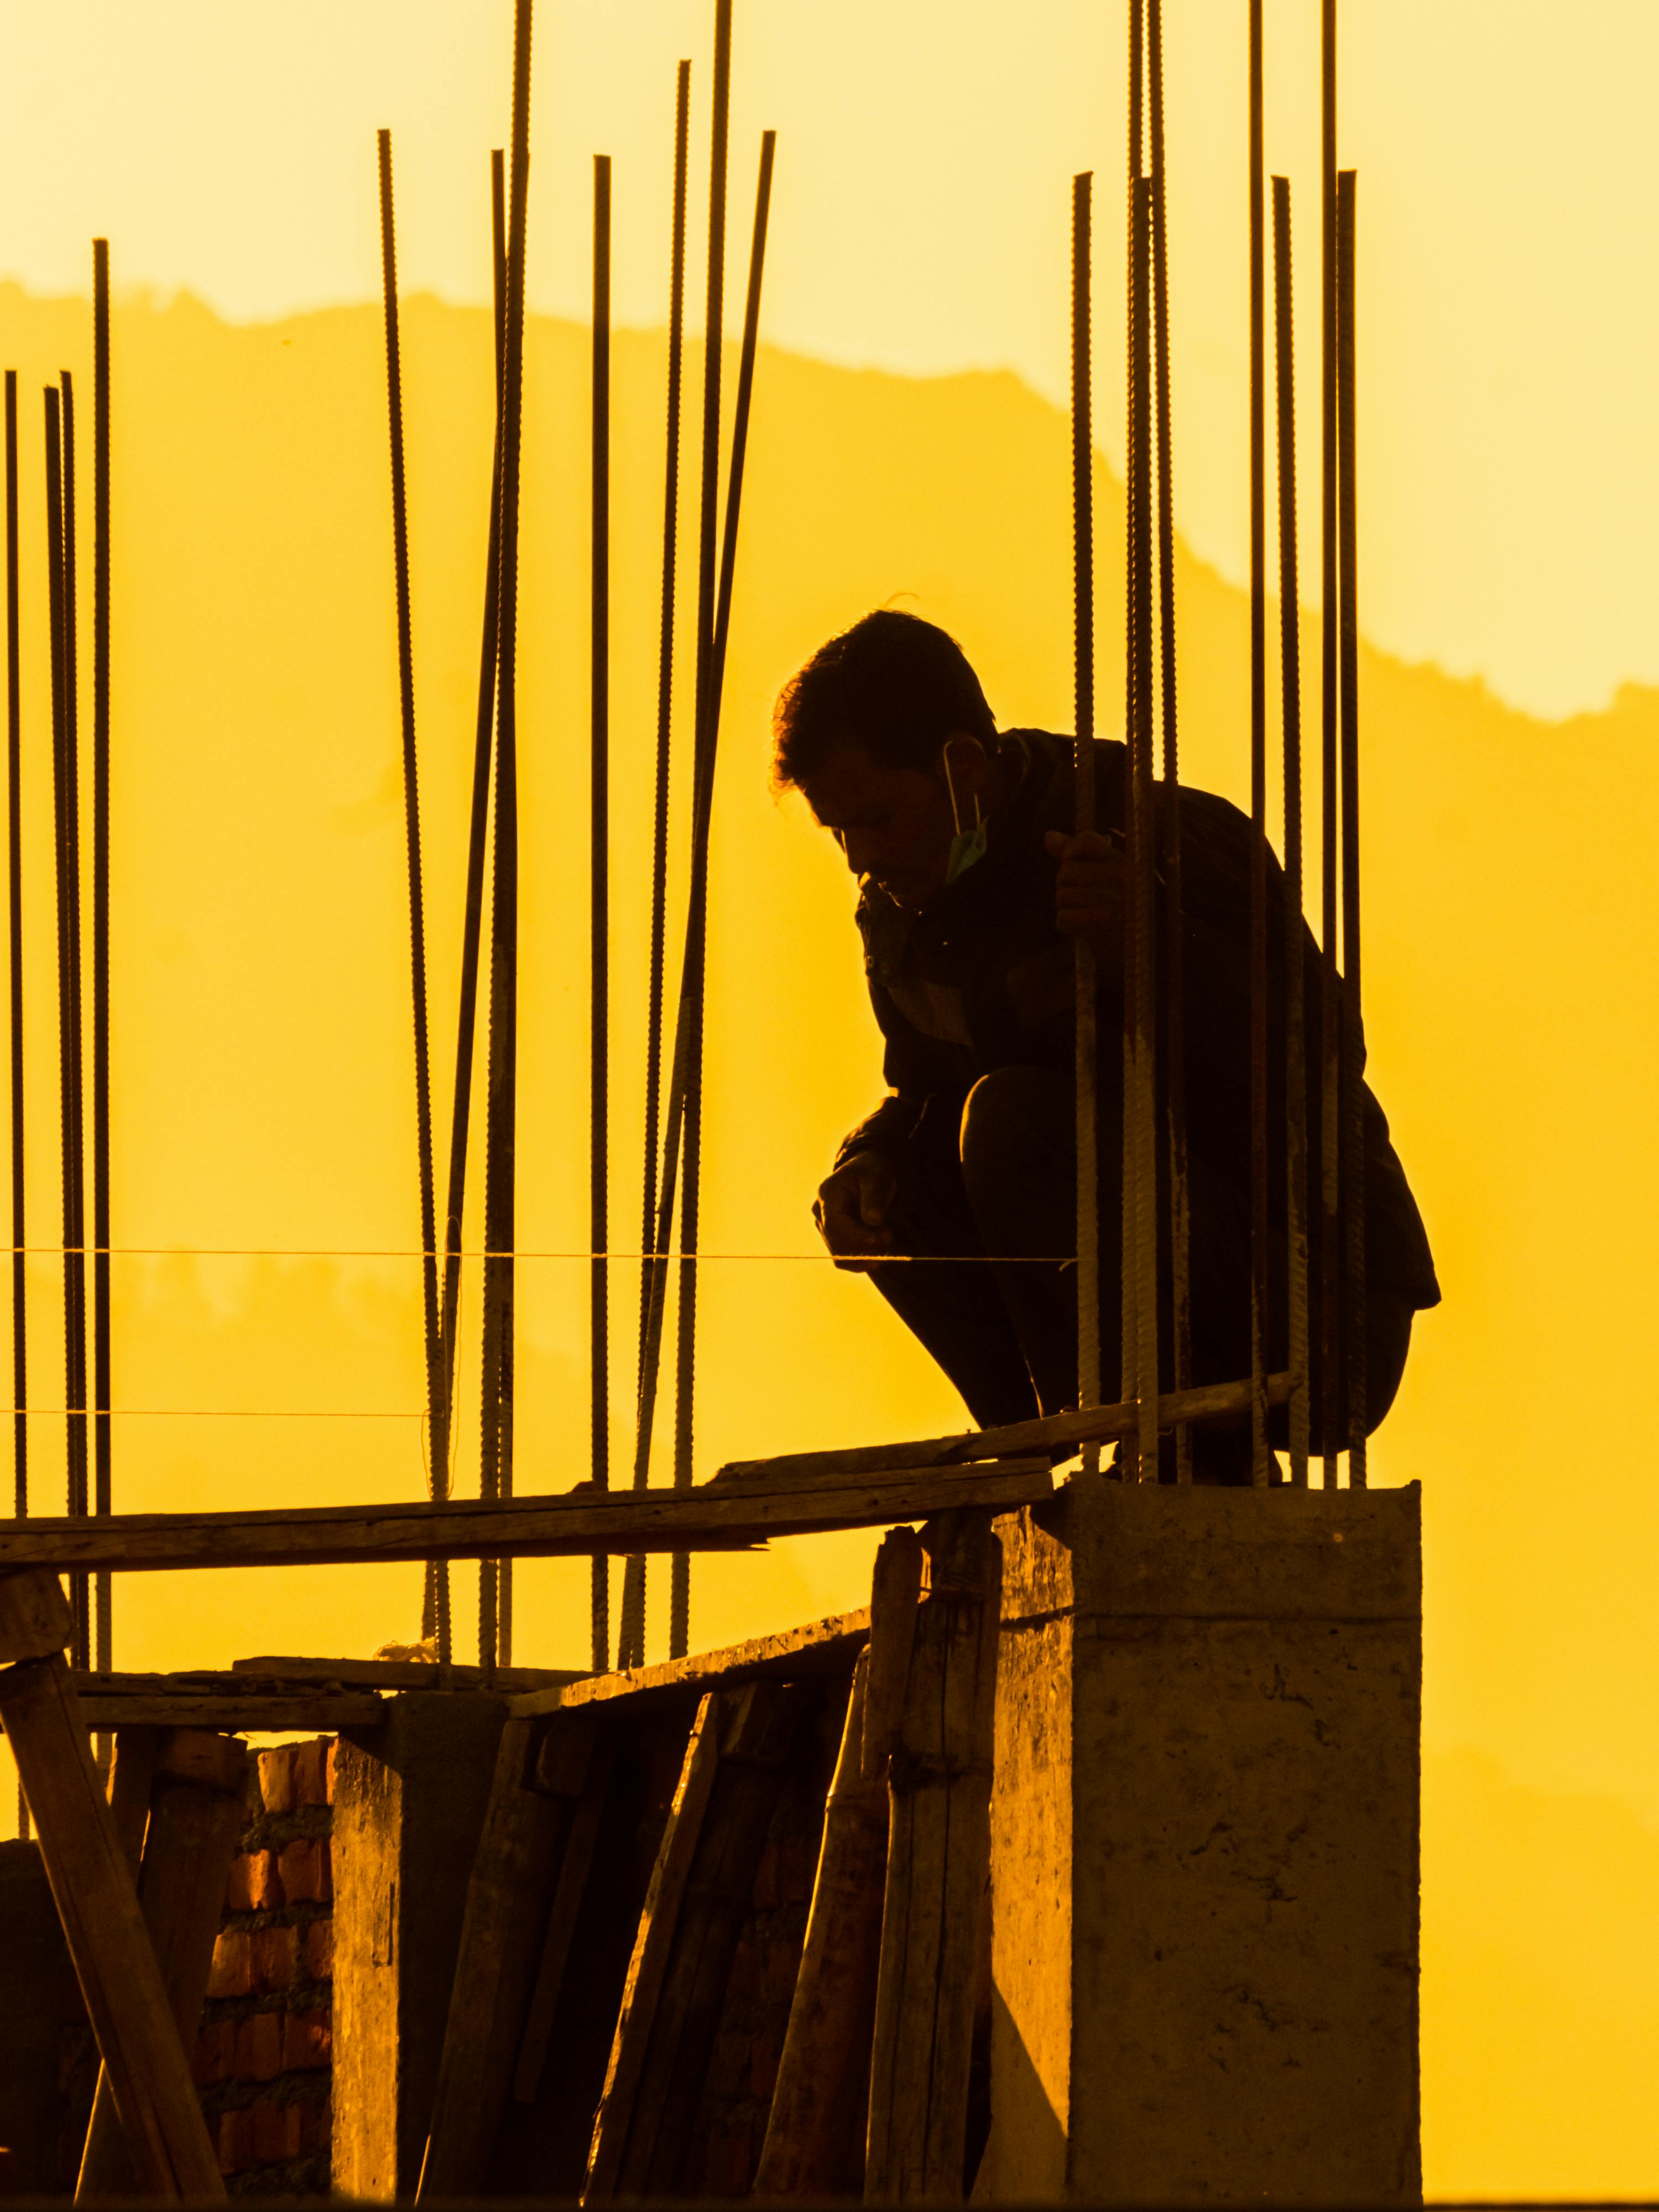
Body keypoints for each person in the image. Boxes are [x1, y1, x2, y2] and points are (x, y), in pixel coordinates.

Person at [776, 608, 1439, 1482]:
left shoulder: (1162, 840)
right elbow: (931, 1101)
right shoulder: (906, 922)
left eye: (878, 820)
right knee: (897, 1194)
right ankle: (1041, 1459)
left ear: (962, 768)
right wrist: (872, 1161)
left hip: (1310, 1300)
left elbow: (1319, 1057)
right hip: (1130, 1288)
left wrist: (1154, 946)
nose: (862, 859)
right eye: (840, 834)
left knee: (1009, 1119)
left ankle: (1188, 1456)